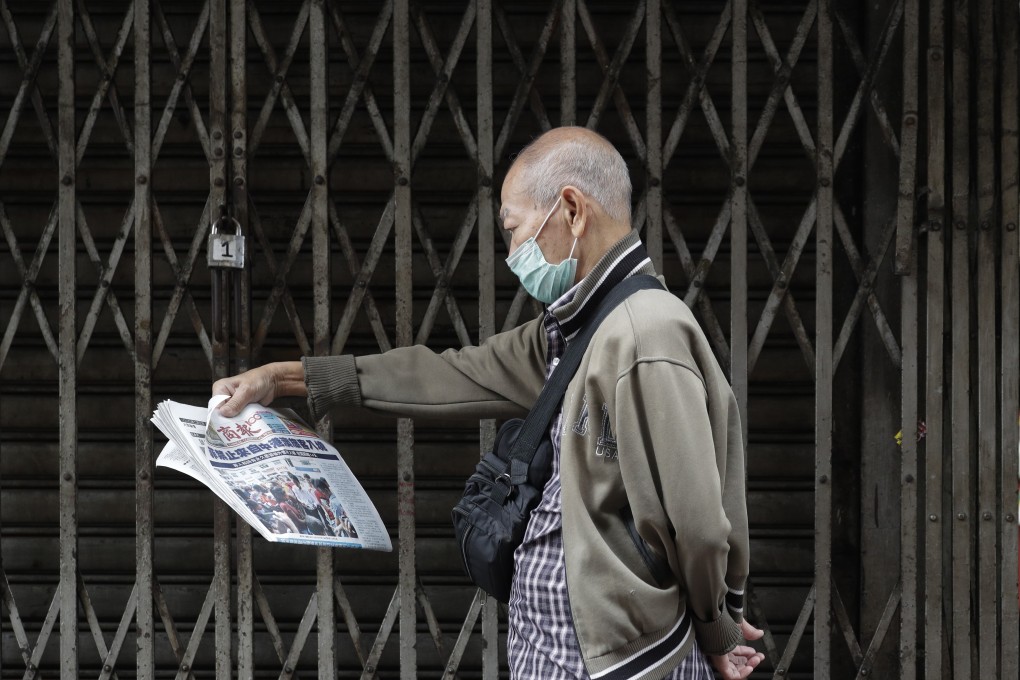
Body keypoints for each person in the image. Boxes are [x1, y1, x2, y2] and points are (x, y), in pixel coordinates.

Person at [213, 127, 764, 680]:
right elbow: (448, 375)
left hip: (621, 665)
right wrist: (284, 379)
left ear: (571, 209)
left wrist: (718, 625)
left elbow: (698, 523)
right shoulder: (578, 331)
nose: (512, 255)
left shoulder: (645, 334)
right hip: (560, 652)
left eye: (514, 229)